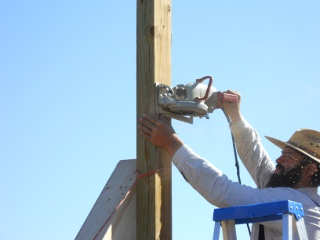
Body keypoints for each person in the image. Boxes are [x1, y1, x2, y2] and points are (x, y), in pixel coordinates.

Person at [138, 90, 320, 239]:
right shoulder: (292, 194)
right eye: (282, 154)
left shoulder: (297, 203)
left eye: (288, 156)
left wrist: (172, 144)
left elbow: (223, 191)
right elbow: (255, 156)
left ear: (310, 169)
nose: (279, 160)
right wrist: (235, 115)